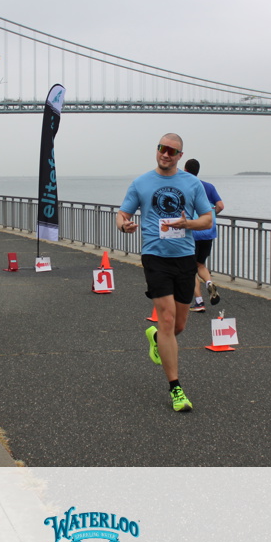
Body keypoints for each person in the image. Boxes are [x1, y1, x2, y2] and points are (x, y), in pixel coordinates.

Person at [116, 133, 213, 412]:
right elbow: (122, 214)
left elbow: (207, 218)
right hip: (155, 257)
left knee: (178, 326)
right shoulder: (141, 182)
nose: (166, 154)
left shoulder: (192, 184)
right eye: (162, 148)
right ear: (157, 150)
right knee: (167, 318)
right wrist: (123, 225)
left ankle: (156, 338)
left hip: (184, 258)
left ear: (180, 156)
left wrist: (188, 224)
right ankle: (176, 389)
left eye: (172, 151)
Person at [183, 158, 224, 312]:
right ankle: (209, 283)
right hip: (208, 231)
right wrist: (211, 215)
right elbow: (220, 206)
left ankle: (199, 302)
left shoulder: (186, 187)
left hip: (193, 232)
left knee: (190, 269)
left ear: (186, 171)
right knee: (201, 264)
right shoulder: (209, 186)